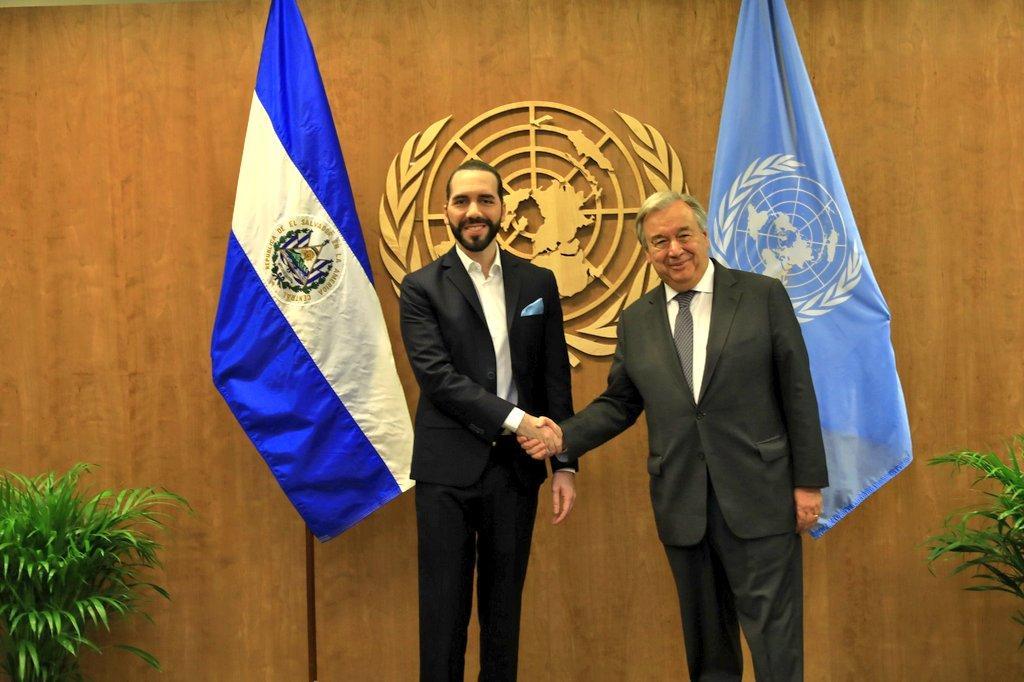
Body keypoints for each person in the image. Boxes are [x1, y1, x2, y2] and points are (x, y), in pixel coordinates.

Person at [521, 191, 828, 681]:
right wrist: (564, 438)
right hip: (684, 503)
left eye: (683, 235)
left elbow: (798, 391)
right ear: (647, 253)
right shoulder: (637, 319)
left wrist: (808, 483)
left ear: (704, 236)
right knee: (707, 650)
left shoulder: (762, 295)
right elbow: (620, 402)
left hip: (762, 496)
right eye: (659, 241)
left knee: (776, 644)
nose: (674, 249)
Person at [399, 159, 578, 682]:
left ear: (503, 207)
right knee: (442, 616)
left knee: (504, 616)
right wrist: (521, 422)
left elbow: (553, 379)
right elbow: (439, 379)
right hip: (445, 473)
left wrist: (564, 463)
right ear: (446, 213)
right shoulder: (422, 287)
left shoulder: (538, 282)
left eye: (484, 199)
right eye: (461, 201)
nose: (473, 211)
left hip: (515, 473)